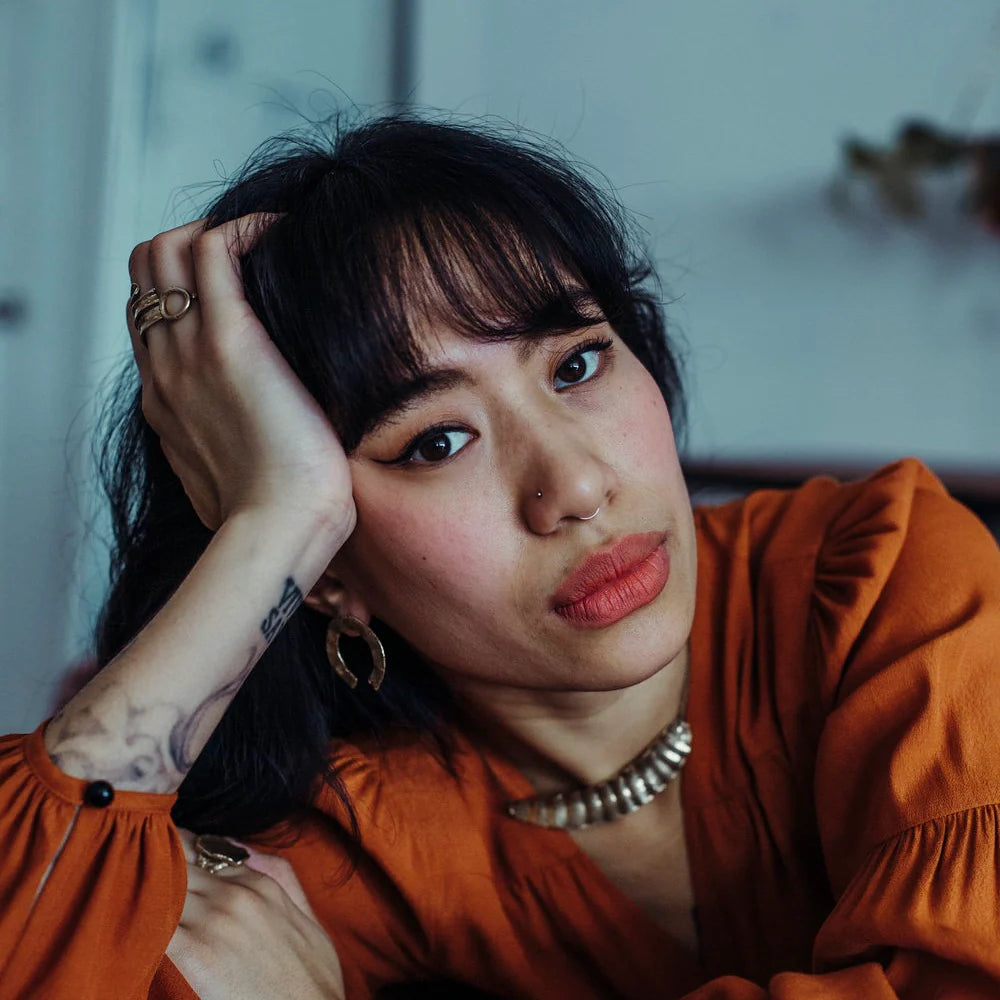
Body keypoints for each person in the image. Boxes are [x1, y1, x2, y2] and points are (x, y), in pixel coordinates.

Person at [1, 112, 999, 1000]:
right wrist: (269, 527)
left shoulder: (880, 576)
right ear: (329, 569)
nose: (572, 485)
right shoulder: (346, 841)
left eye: (576, 363)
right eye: (436, 441)